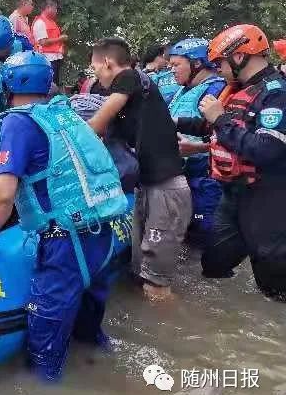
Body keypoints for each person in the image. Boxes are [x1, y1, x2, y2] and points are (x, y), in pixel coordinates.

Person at [0, 51, 127, 381]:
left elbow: (6, 193)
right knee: (88, 333)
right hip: (102, 234)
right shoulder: (61, 114)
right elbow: (44, 172)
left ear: (8, 85)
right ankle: (105, 376)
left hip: (66, 243)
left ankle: (48, 391)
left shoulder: (16, 122)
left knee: (44, 349)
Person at [175, 25, 286, 299]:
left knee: (272, 281)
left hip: (268, 196)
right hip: (234, 194)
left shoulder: (276, 93)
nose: (217, 69)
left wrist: (220, 119)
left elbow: (266, 150)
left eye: (220, 63)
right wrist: (173, 122)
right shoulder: (239, 90)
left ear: (238, 57)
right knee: (213, 265)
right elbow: (215, 126)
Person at [87, 38, 191, 301]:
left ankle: (173, 324)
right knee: (140, 275)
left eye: (95, 69)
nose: (96, 76)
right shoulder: (135, 98)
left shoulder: (129, 77)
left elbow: (95, 126)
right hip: (148, 187)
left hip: (165, 190)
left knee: (156, 286)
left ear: (107, 63)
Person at [167, 39, 226, 248]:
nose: (171, 70)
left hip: (207, 178)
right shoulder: (183, 90)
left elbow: (227, 137)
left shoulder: (216, 90)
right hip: (184, 176)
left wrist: (197, 149)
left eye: (176, 64)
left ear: (197, 63)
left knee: (206, 240)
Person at [32, 0, 68, 86]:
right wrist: (60, 39)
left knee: (55, 84)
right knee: (49, 85)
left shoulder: (51, 22)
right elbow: (43, 42)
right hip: (46, 59)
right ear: (48, 7)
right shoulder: (40, 22)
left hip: (55, 57)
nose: (56, 11)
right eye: (55, 8)